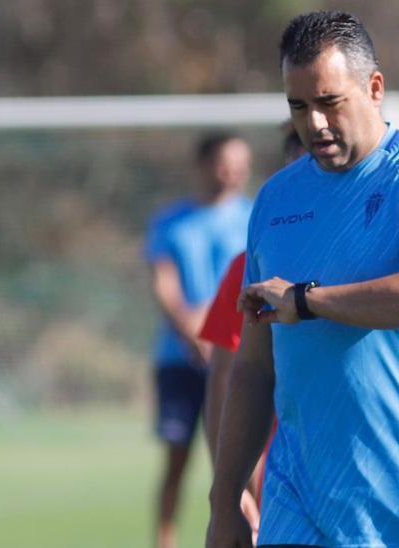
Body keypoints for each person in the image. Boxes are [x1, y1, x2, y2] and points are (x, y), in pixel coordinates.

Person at [207, 11, 399, 547]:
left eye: (329, 101)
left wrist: (310, 301)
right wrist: (225, 500)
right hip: (301, 498)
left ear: (374, 88)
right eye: (298, 106)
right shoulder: (275, 200)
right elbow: (253, 367)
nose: (313, 122)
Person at [144, 132, 253, 548]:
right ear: (204, 165)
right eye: (226, 163)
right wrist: (191, 332)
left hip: (239, 360)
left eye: (241, 164)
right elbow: (163, 284)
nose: (234, 173)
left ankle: (249, 533)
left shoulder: (255, 216)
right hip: (179, 358)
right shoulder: (170, 221)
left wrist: (214, 327)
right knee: (176, 459)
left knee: (241, 461)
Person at [198, 124, 305, 539]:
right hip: (279, 479)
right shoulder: (249, 265)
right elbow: (226, 378)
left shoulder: (373, 262)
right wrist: (229, 488)